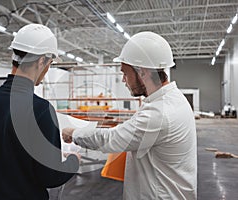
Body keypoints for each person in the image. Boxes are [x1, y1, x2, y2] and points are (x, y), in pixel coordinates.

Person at [63, 31, 197, 199]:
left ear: (143, 73)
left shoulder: (160, 113)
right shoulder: (171, 100)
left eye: (125, 73)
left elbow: (111, 139)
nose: (123, 80)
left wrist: (73, 133)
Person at [0, 24, 79, 200]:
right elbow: (50, 176)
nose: (48, 70)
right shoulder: (40, 110)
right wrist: (73, 161)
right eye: (50, 63)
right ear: (42, 61)